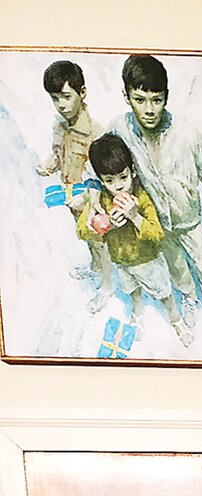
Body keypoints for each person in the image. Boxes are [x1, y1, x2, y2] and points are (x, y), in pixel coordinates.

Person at [108, 53, 202, 329]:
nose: (148, 109)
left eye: (156, 100)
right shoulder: (119, 129)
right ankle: (188, 297)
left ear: (166, 97)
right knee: (177, 266)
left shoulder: (187, 134)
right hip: (157, 223)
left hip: (190, 219)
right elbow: (100, 163)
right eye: (140, 99)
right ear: (126, 95)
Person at [78, 134, 191, 346]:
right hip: (122, 262)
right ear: (101, 181)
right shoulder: (101, 200)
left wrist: (134, 216)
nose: (118, 186)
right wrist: (102, 224)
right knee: (132, 292)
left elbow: (156, 234)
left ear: (133, 172)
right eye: (109, 181)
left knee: (164, 294)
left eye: (123, 177)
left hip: (148, 261)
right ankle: (137, 315)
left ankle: (176, 320)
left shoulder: (141, 198)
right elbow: (82, 232)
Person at [35, 59, 113, 311]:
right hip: (71, 197)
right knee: (86, 239)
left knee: (100, 242)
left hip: (92, 200)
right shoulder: (59, 126)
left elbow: (104, 176)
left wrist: (90, 202)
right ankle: (94, 267)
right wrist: (51, 164)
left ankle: (107, 286)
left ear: (82, 93)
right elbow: (60, 154)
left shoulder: (96, 133)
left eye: (67, 97)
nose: (61, 105)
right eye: (55, 98)